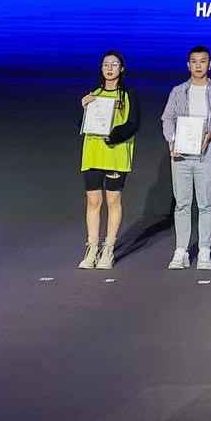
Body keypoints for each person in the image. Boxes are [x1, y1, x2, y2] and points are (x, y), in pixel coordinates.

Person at [160, 45, 211, 271]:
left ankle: (204, 251)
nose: (198, 65)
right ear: (188, 65)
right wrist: (173, 140)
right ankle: (181, 251)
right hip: (181, 156)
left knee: (206, 205)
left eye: (203, 61)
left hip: (206, 156)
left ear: (210, 65)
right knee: (182, 205)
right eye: (194, 61)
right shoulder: (178, 91)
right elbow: (167, 118)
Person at [79, 50, 141, 271]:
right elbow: (81, 125)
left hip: (115, 154)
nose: (110, 68)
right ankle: (92, 248)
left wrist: (113, 136)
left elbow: (133, 123)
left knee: (113, 201)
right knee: (93, 201)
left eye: (114, 65)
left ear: (121, 69)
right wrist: (84, 107)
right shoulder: (94, 93)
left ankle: (108, 249)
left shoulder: (128, 94)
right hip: (93, 153)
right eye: (106, 64)